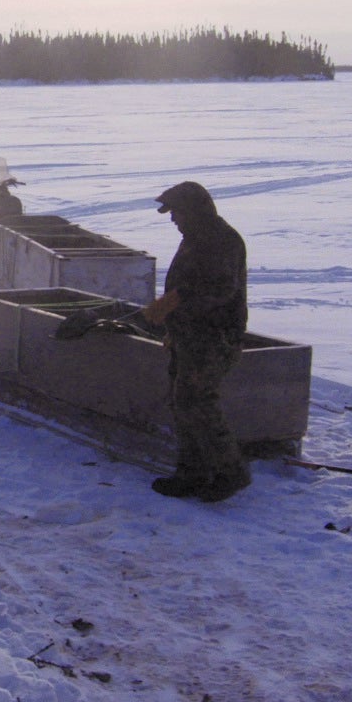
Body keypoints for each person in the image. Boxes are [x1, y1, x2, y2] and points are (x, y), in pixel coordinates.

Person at [141, 180, 252, 503]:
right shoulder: (197, 237)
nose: (173, 219)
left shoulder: (220, 240)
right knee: (183, 404)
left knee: (198, 403)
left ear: (194, 210)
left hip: (213, 338)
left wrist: (175, 301)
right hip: (189, 336)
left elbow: (219, 290)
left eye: (176, 212)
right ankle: (192, 473)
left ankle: (231, 472)